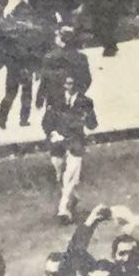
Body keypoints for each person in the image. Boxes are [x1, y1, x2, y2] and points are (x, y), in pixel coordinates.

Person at [42, 74, 97, 224]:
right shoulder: (55, 100)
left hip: (75, 142)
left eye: (71, 84)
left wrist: (86, 124)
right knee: (60, 176)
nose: (68, 87)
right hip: (58, 143)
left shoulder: (85, 102)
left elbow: (92, 124)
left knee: (69, 176)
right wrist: (53, 133)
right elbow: (46, 121)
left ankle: (63, 210)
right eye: (66, 84)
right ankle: (73, 198)